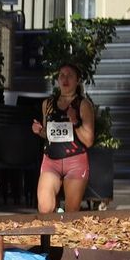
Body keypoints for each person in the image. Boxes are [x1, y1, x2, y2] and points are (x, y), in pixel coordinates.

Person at [31, 62, 96, 214]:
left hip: (75, 161)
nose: (65, 79)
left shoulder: (83, 105)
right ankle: (50, 234)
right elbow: (48, 134)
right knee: (45, 208)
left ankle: (65, 232)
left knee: (71, 212)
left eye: (70, 76)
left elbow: (89, 141)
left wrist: (74, 122)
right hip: (51, 161)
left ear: (77, 80)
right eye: (62, 75)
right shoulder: (47, 104)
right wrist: (39, 130)